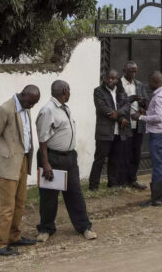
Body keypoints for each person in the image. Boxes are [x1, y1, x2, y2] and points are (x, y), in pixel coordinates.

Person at [35, 81, 97, 242]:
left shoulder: (65, 108)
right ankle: (46, 229)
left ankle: (84, 226)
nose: (70, 93)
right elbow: (42, 139)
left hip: (69, 157)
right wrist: (46, 163)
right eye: (69, 90)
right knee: (49, 196)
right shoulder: (48, 110)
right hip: (52, 157)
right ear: (64, 91)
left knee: (75, 193)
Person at [0, 85, 40, 256]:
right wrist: (2, 144)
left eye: (34, 104)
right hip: (8, 162)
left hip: (23, 160)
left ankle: (14, 237)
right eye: (30, 102)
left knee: (20, 202)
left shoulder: (25, 107)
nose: (32, 106)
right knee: (6, 206)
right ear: (23, 95)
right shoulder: (5, 109)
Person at [132, 71, 162, 206]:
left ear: (155, 81)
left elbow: (158, 117)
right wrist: (146, 112)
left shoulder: (159, 97)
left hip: (158, 134)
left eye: (150, 82)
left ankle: (156, 198)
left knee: (157, 166)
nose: (148, 85)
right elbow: (156, 113)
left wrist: (141, 117)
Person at [88, 69, 132, 190]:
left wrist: (117, 114)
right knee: (99, 160)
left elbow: (127, 105)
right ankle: (93, 186)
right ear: (105, 78)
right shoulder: (98, 91)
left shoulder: (121, 91)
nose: (111, 80)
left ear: (118, 80)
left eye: (114, 78)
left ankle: (112, 183)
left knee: (115, 158)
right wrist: (119, 116)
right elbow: (102, 108)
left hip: (119, 132)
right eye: (109, 78)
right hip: (105, 132)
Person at [118, 61, 148, 190]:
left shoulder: (139, 84)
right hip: (124, 124)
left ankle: (133, 179)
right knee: (124, 153)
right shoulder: (118, 84)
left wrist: (143, 106)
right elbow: (116, 103)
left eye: (135, 70)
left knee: (136, 153)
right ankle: (123, 180)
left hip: (138, 124)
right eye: (131, 71)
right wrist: (132, 98)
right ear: (124, 71)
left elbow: (146, 101)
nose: (133, 73)